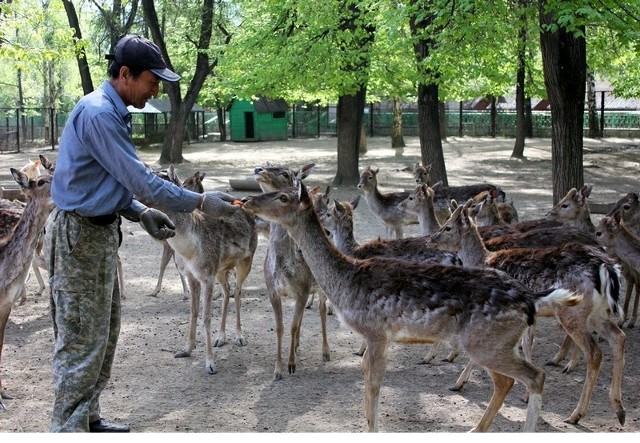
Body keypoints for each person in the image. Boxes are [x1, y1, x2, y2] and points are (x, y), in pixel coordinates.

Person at [44, 34, 239, 433]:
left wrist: (136, 212)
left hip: (97, 236)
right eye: (153, 80)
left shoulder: (113, 113)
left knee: (103, 335)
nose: (157, 88)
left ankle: (88, 418)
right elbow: (142, 180)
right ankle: (66, 429)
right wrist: (200, 202)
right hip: (78, 239)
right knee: (81, 342)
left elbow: (107, 182)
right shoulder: (99, 114)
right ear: (126, 74)